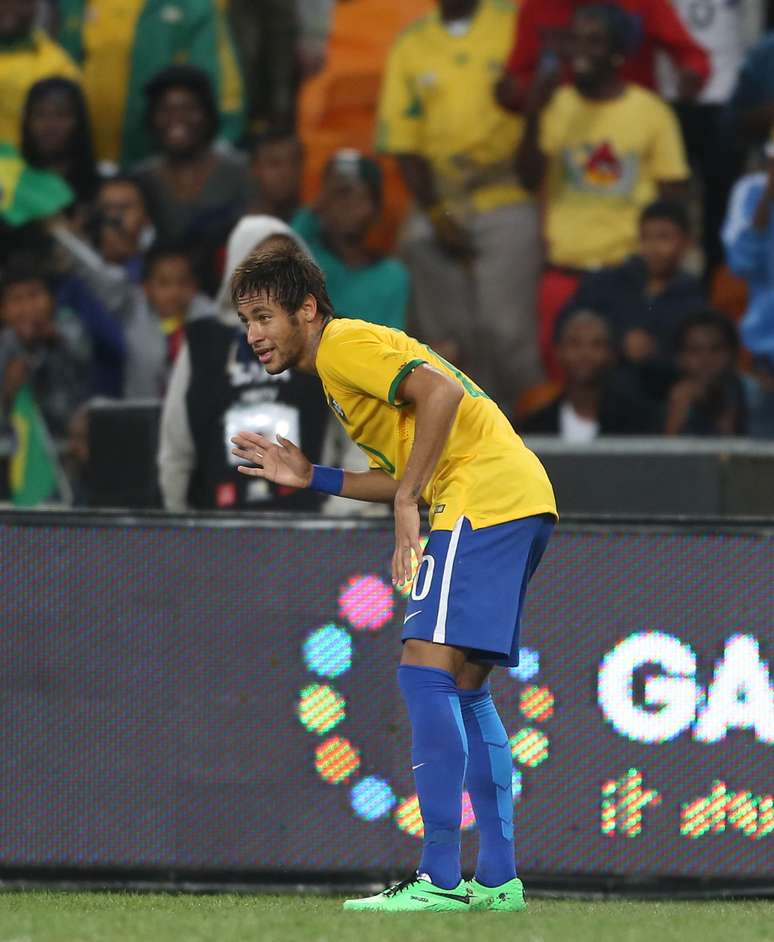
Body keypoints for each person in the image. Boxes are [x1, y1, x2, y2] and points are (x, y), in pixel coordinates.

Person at [225, 247, 557, 912]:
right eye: (246, 321)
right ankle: (497, 881)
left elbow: (442, 392)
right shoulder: (341, 366)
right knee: (464, 686)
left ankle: (438, 879)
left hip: (482, 498)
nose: (255, 334)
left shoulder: (344, 344)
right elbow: (410, 460)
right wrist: (314, 476)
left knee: (421, 668)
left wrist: (410, 500)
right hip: (514, 498)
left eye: (264, 316)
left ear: (308, 310)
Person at [376, 0, 544, 410]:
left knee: (503, 330)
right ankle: (458, 426)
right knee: (447, 336)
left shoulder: (511, 25)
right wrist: (436, 213)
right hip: (439, 196)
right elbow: (402, 140)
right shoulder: (413, 42)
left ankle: (526, 427)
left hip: (504, 192)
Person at [516, 4, 690, 374]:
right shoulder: (556, 105)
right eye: (575, 39)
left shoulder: (650, 111)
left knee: (626, 377)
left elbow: (674, 196)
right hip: (564, 273)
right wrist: (532, 113)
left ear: (617, 53)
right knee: (561, 377)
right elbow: (528, 178)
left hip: (626, 275)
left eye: (593, 42)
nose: (580, 50)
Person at [157, 216, 329, 513]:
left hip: (312, 524)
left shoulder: (324, 335)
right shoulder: (202, 342)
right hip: (220, 528)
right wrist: (180, 521)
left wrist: (342, 512)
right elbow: (176, 444)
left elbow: (356, 433)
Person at [57, 0, 244, 167]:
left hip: (163, 161)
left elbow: (219, 74)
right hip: (89, 159)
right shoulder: (77, 4)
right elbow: (65, 69)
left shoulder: (196, 5)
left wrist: (225, 134)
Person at [556, 200, 704, 395]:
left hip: (661, 400)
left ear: (687, 242)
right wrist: (616, 342)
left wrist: (653, 355)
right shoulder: (607, 282)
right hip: (599, 394)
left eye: (664, 237)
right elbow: (565, 324)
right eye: (646, 238)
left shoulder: (695, 300)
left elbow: (699, 363)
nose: (653, 247)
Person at [133, 65, 250, 294]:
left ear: (207, 114)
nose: (177, 119)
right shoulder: (141, 179)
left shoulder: (240, 172)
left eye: (189, 108)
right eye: (165, 110)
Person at [497, 0, 709, 113]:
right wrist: (520, 93)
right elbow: (517, 78)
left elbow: (691, 54)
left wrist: (692, 74)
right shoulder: (536, 7)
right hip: (562, 130)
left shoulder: (642, 2)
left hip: (634, 123)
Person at [292, 150, 409, 330]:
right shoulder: (309, 260)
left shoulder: (392, 276)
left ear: (376, 208)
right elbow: (280, 253)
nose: (349, 206)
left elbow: (390, 344)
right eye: (341, 194)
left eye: (361, 197)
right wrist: (319, 204)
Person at [520, 309, 656, 439]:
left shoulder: (637, 423)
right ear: (558, 352)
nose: (585, 354)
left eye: (596, 344)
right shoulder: (535, 426)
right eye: (575, 344)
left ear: (612, 354)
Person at [0, 256, 92, 438]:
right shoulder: (4, 346)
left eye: (34, 295)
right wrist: (7, 390)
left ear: (51, 300)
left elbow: (84, 352)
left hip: (68, 448)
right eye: (17, 299)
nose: (28, 307)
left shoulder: (69, 327)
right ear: (3, 310)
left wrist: (53, 337)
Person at [0, 0, 80, 148]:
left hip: (26, 165)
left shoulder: (57, 66)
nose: (8, 8)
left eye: (19, 2)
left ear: (35, 6)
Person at [21, 77, 100, 216]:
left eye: (62, 115)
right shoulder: (11, 179)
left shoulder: (101, 182)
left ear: (79, 122)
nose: (49, 126)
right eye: (39, 115)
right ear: (27, 121)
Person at [664, 310, 747, 436]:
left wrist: (729, 425)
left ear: (733, 354)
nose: (706, 360)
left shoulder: (754, 396)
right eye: (694, 350)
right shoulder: (664, 394)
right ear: (679, 358)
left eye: (716, 349)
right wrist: (675, 419)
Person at [248, 128, 304, 222]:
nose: (287, 172)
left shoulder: (320, 225)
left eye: (294, 162)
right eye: (274, 163)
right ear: (255, 169)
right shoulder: (234, 226)